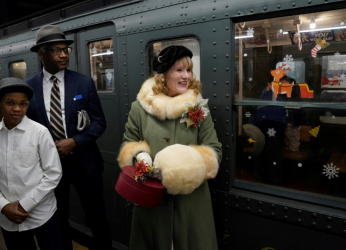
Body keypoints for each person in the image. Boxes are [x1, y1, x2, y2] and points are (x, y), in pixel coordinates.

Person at [117, 45, 222, 250]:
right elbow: (128, 145)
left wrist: (184, 168)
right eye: (179, 70)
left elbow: (214, 150)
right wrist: (142, 159)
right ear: (163, 74)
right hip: (152, 200)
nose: (186, 76)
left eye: (188, 70)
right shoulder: (140, 108)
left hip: (191, 203)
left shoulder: (198, 107)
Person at [25, 24, 112, 250]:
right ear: (41, 53)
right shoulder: (28, 88)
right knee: (58, 218)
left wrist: (75, 141)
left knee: (97, 218)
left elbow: (99, 122)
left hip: (85, 163)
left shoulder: (83, 82)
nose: (64, 54)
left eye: (66, 49)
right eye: (56, 50)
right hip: (49, 167)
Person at [0, 77, 63, 250]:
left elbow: (53, 174)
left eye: (23, 104)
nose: (17, 109)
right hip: (8, 218)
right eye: (10, 103)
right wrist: (3, 206)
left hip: (42, 214)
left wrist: (23, 204)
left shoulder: (39, 133)